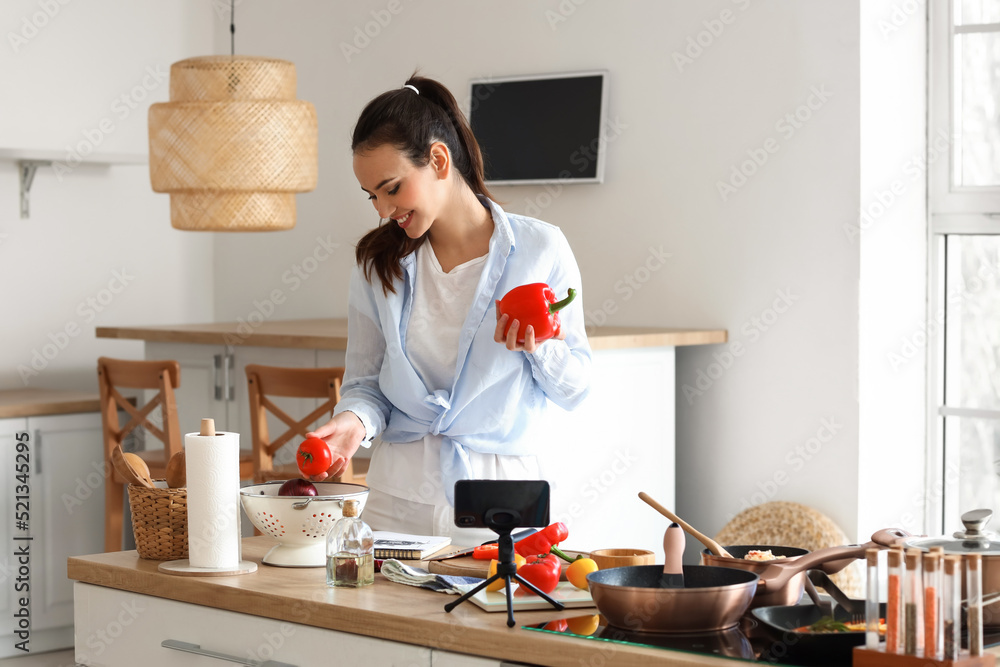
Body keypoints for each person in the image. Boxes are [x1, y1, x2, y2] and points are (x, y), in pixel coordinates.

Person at [307, 75, 591, 541]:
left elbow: (576, 388)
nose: (382, 210)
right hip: (396, 502)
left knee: (496, 614)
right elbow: (366, 382)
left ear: (438, 159)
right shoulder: (378, 263)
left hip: (501, 500)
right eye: (372, 195)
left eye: (391, 188)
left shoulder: (541, 248)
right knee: (378, 616)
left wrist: (540, 347)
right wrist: (354, 421)